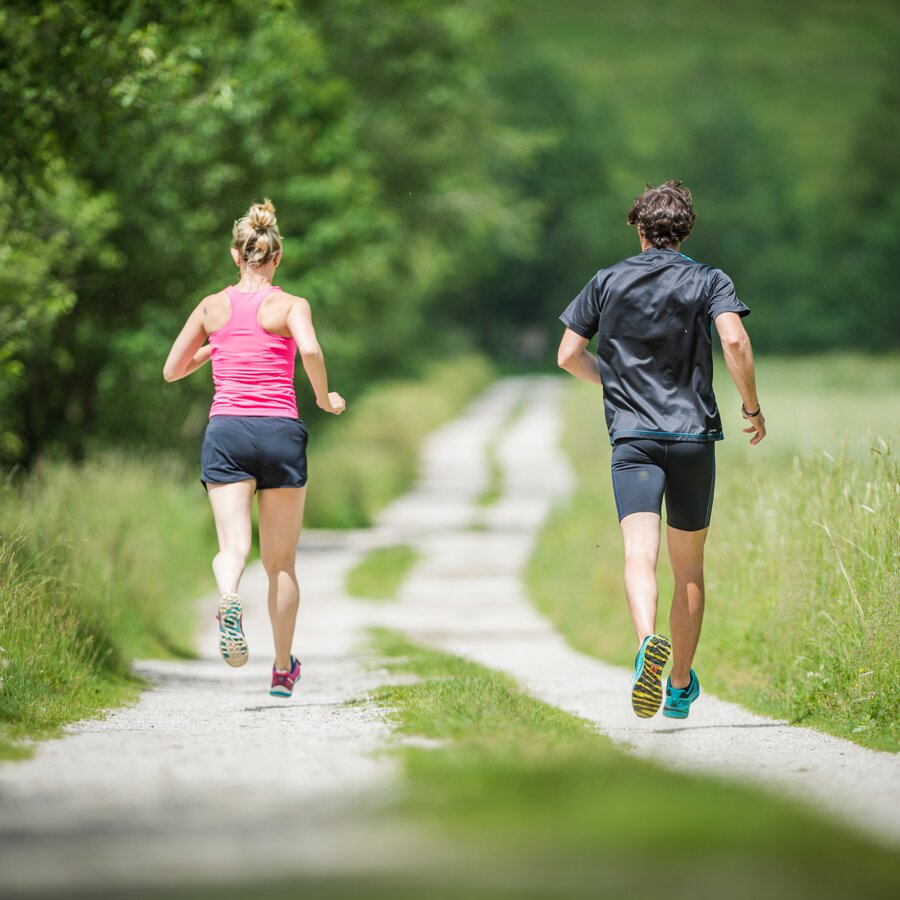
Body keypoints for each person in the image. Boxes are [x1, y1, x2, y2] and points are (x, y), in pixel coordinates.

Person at [556, 180, 765, 720]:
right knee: (688, 567)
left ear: (639, 229)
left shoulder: (607, 280)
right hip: (693, 437)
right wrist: (751, 407)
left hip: (634, 438)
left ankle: (648, 640)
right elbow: (735, 340)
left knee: (637, 554)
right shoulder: (709, 279)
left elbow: (567, 355)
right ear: (687, 229)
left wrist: (616, 383)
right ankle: (676, 687)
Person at [163, 198, 345, 698]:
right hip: (280, 431)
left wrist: (215, 346)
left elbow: (171, 370)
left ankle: (227, 597)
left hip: (228, 431)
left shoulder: (211, 307)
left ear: (235, 255)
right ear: (277, 257)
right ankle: (283, 668)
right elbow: (308, 348)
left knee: (233, 547)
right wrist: (324, 397)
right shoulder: (291, 306)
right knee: (281, 564)